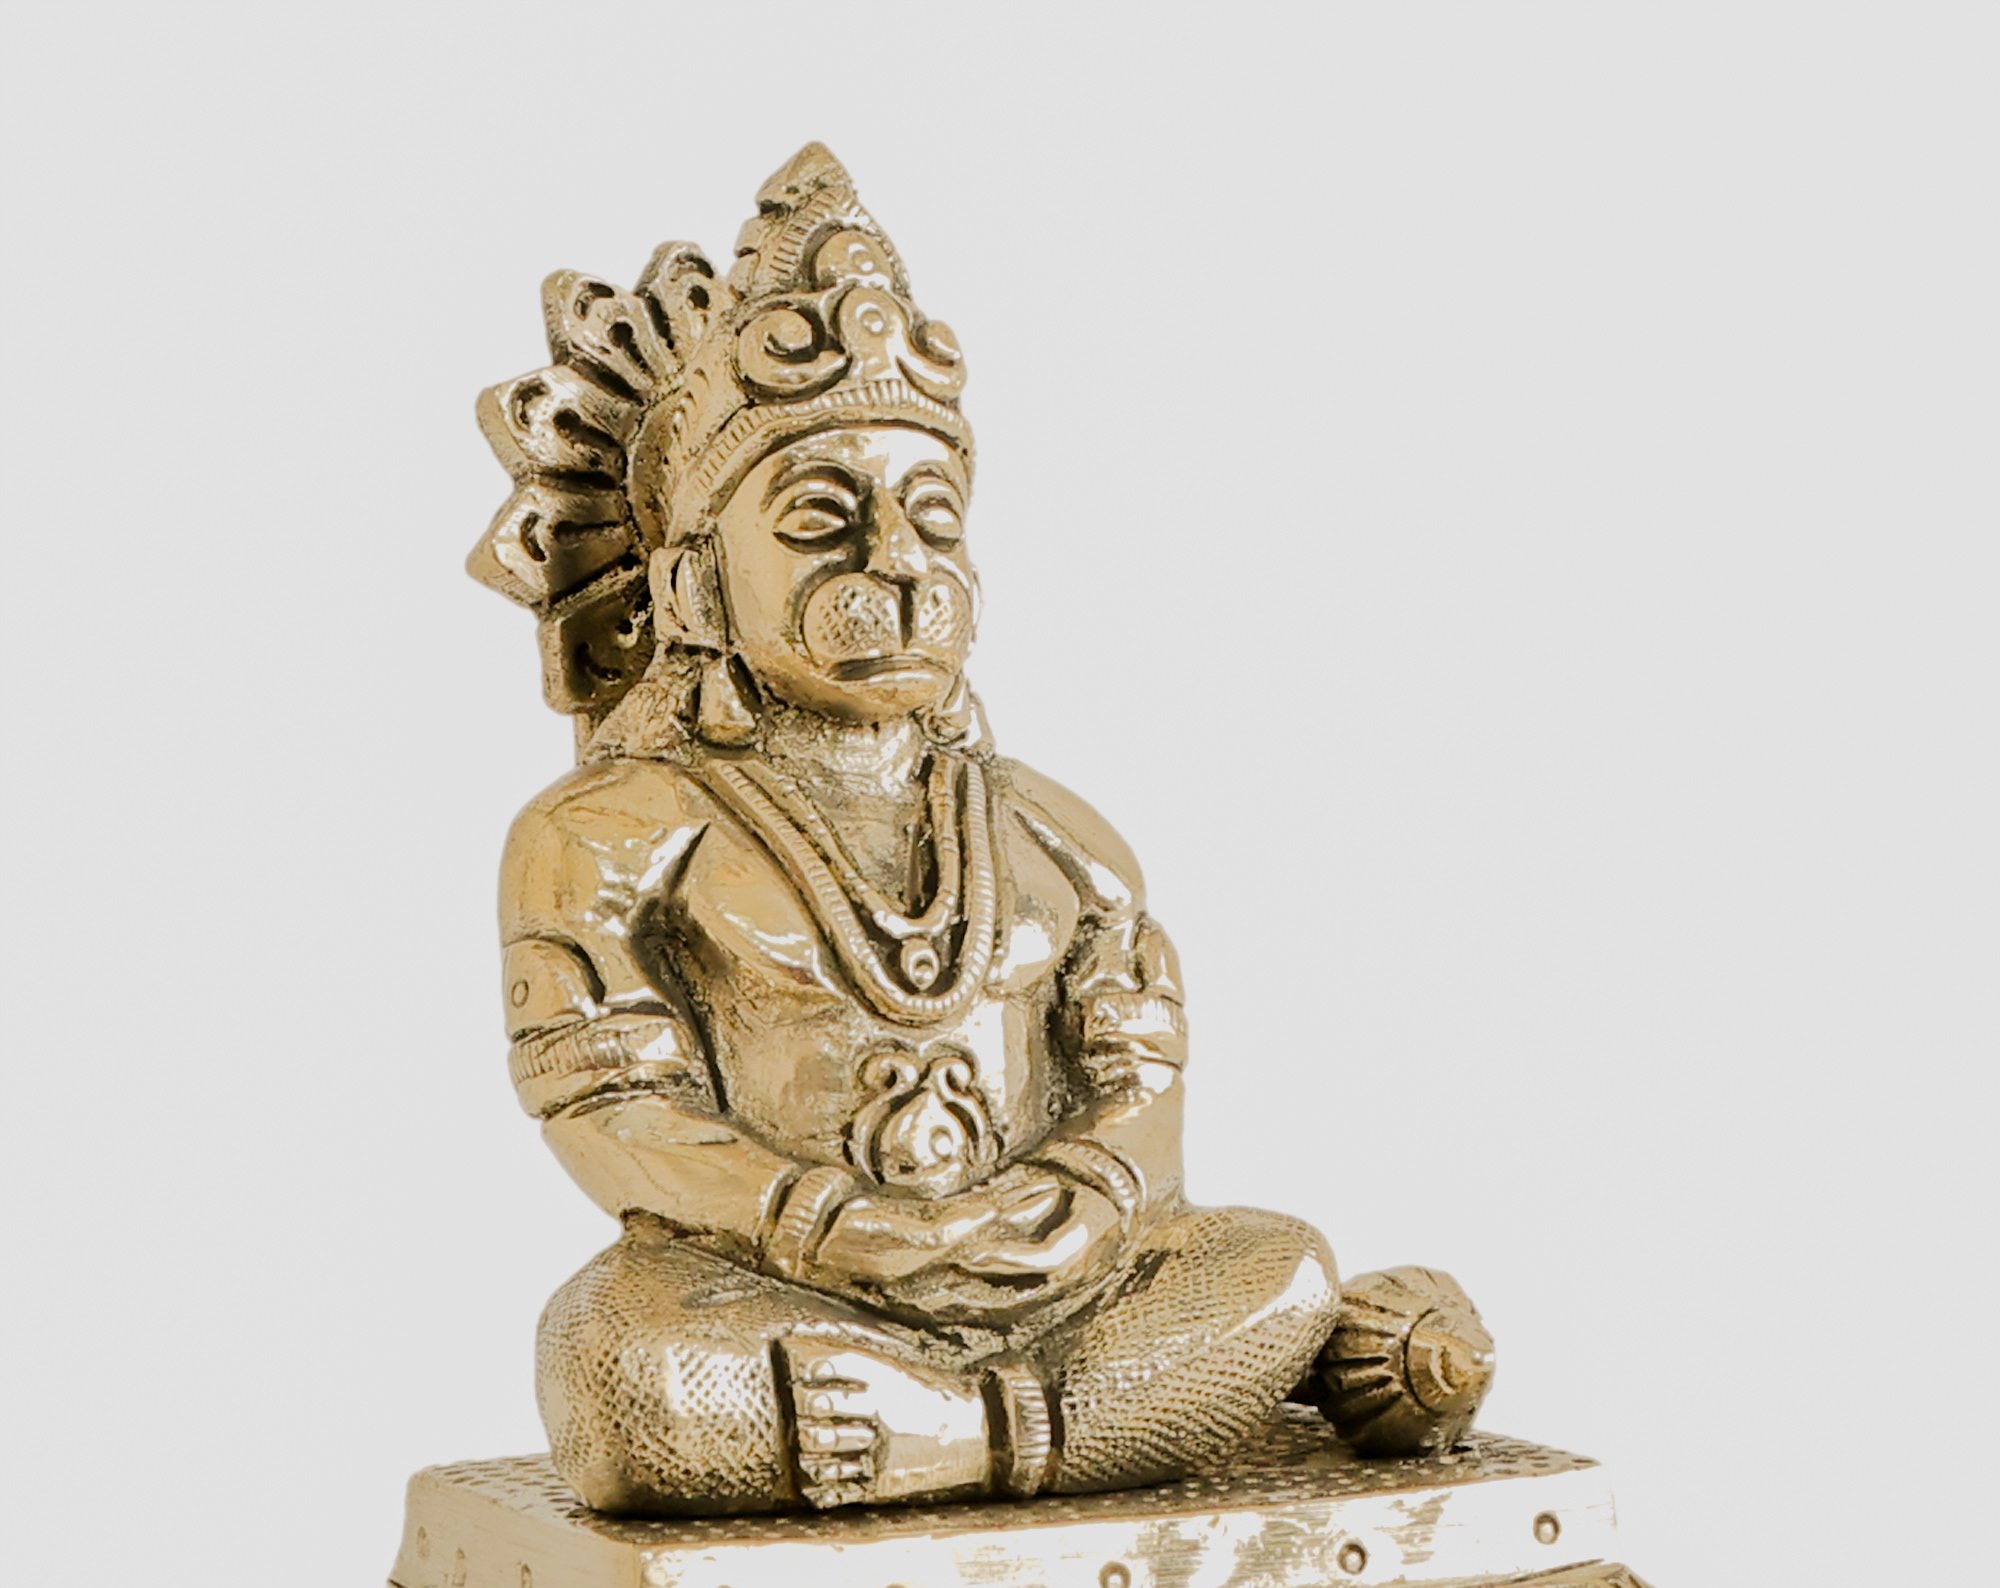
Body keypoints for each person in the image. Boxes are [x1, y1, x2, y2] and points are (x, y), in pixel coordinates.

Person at [471, 145, 1493, 1515]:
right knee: (615, 1374)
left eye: (933, 519)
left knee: (1280, 1271)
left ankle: (975, 1434)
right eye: (823, 521)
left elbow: (1138, 1087)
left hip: (1055, 1278)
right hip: (776, 1283)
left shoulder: (1061, 835)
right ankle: (1113, 1419)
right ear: (695, 576)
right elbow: (612, 1112)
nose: (896, 565)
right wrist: (825, 1225)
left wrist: (1083, 1201)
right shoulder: (604, 834)